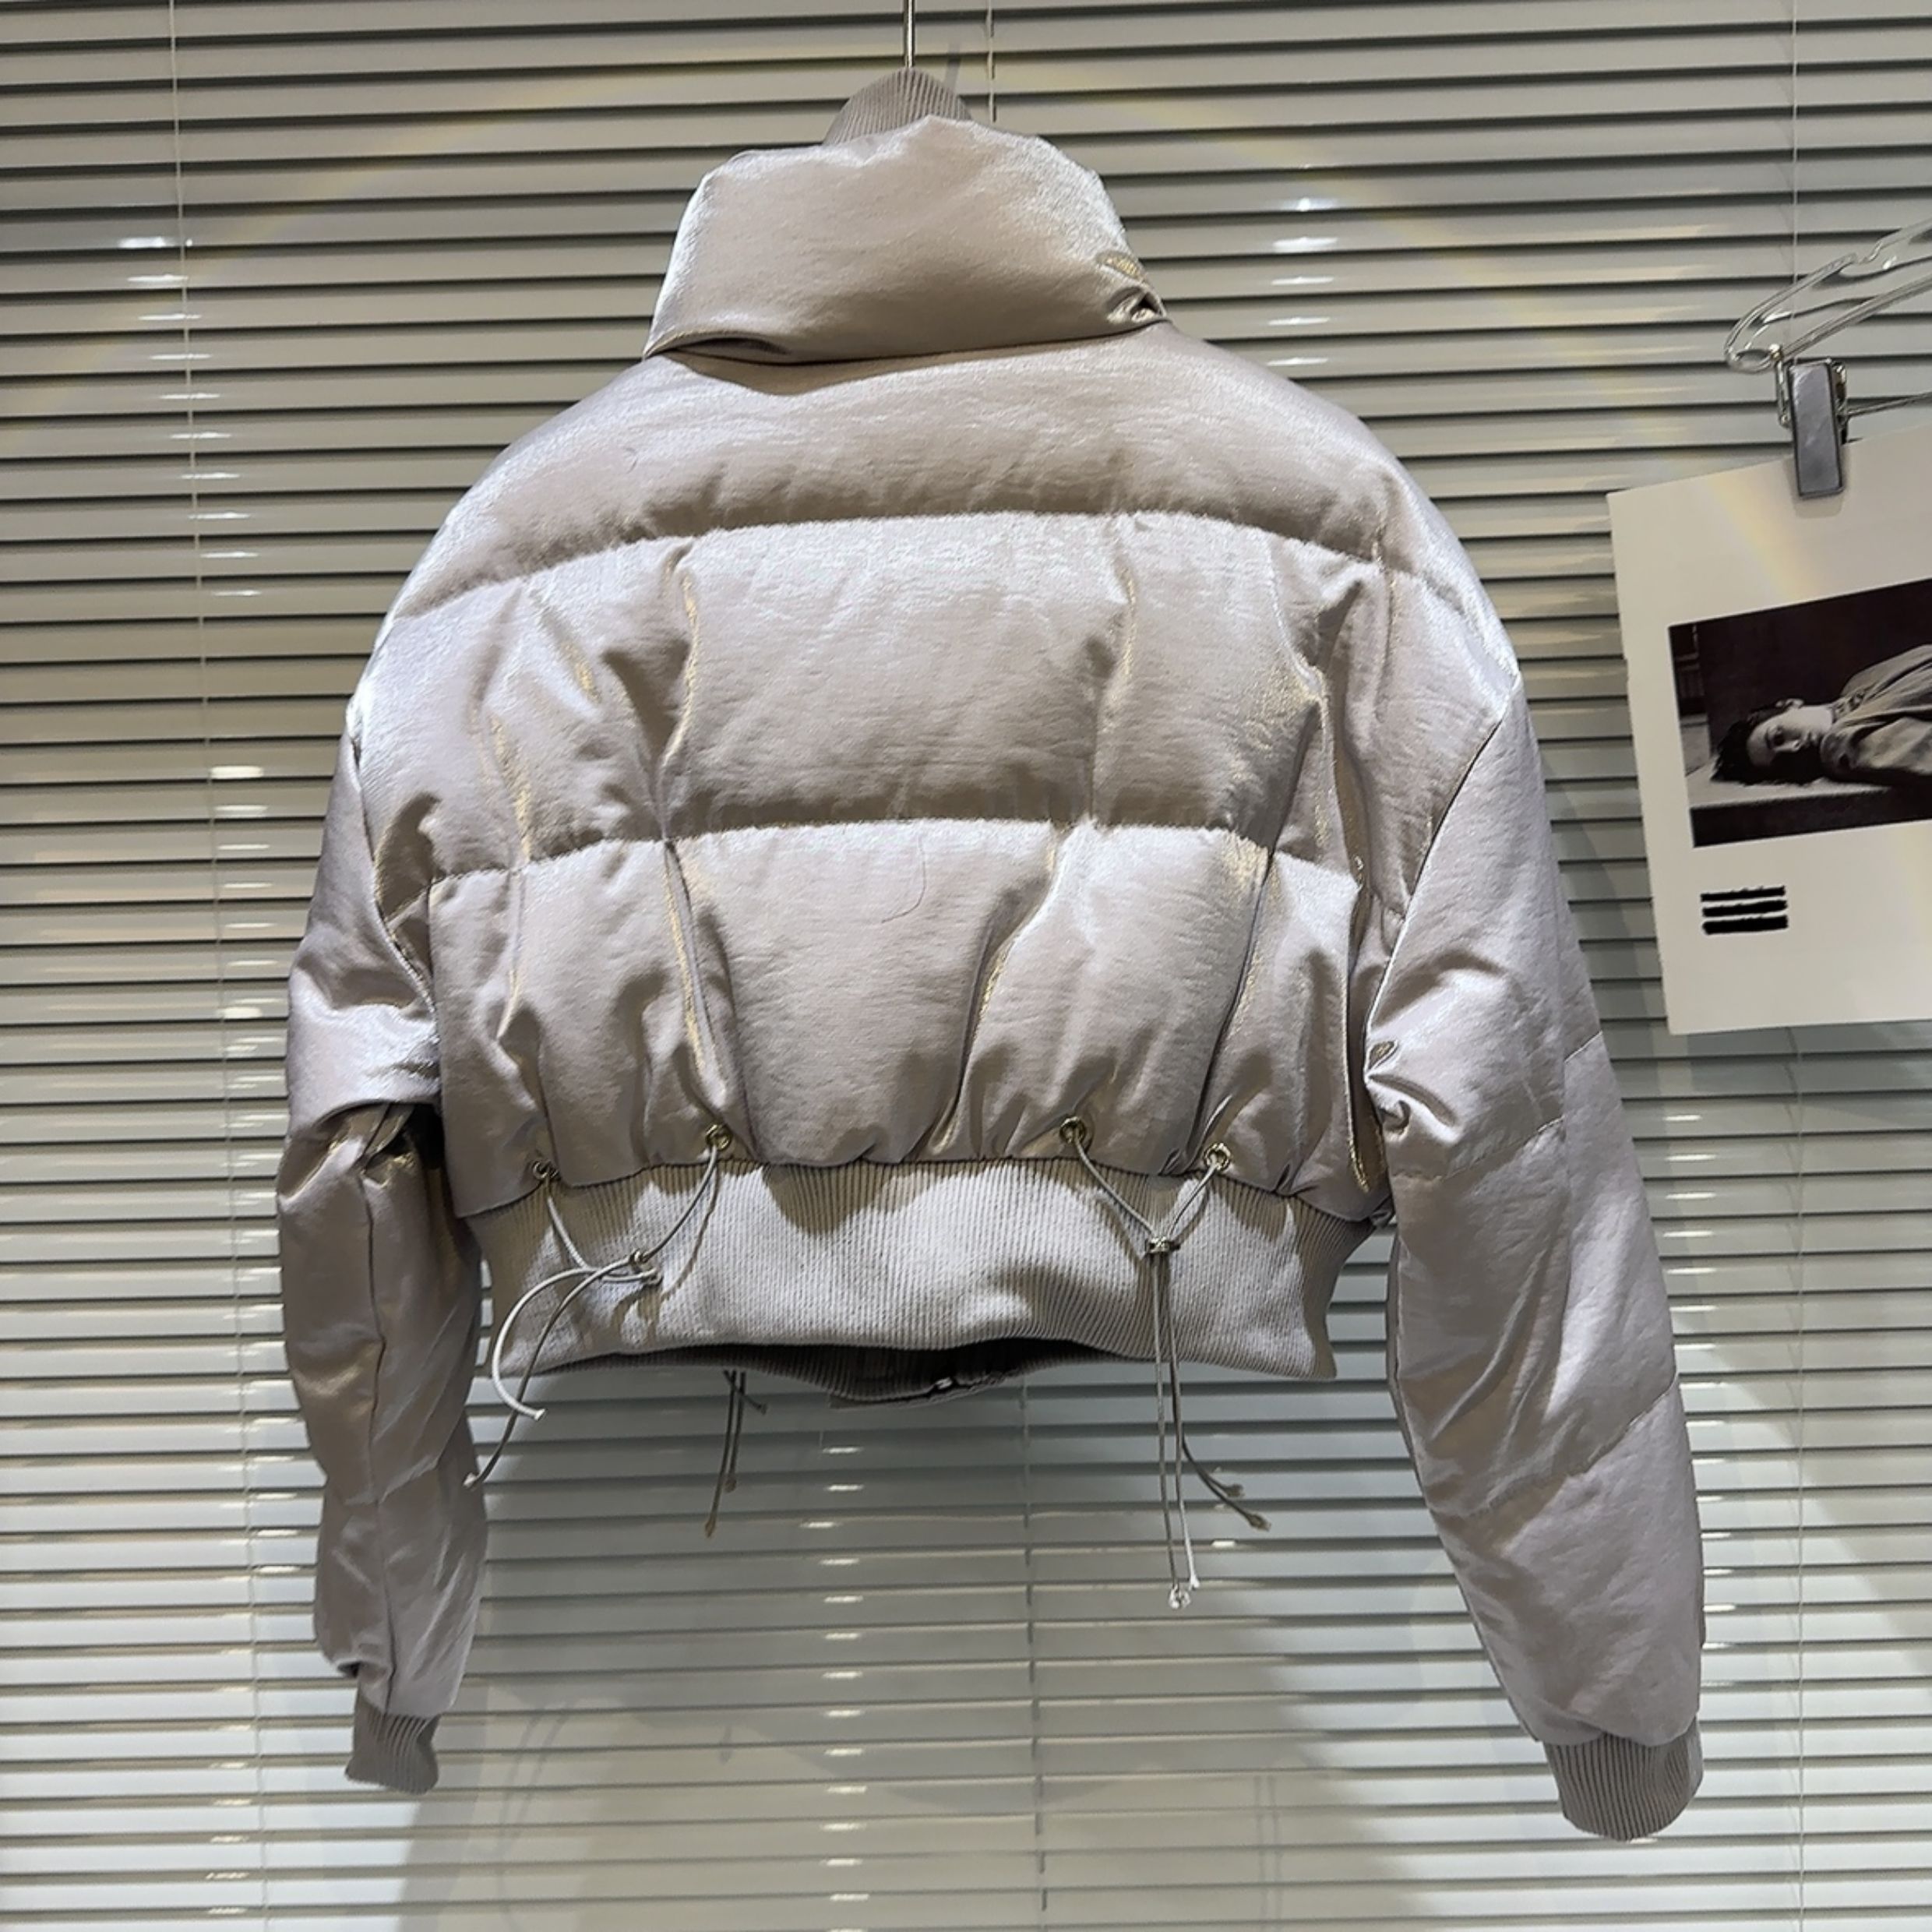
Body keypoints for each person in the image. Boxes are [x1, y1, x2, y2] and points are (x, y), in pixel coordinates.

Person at [1712, 640, 1932, 785]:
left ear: (1790, 704)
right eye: (1783, 763)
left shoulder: (1858, 682)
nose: (1794, 748)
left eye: (1778, 737)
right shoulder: (1840, 746)